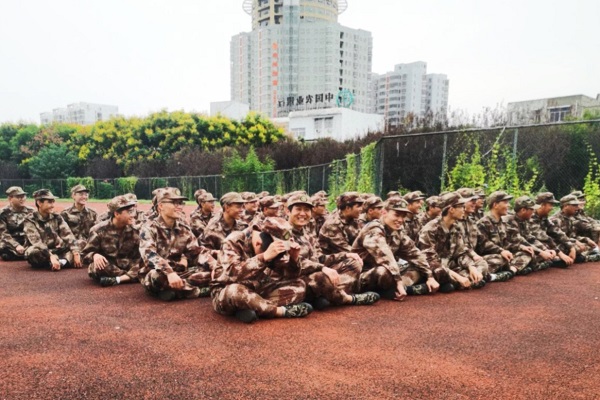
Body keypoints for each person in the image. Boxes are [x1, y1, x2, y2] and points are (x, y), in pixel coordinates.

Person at [211, 217, 315, 323]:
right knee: (234, 291)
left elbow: (289, 275)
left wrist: (294, 260)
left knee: (299, 285)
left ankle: (252, 307)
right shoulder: (233, 241)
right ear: (258, 243)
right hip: (227, 290)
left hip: (258, 288)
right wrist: (263, 257)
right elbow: (233, 275)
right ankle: (280, 311)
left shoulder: (275, 243)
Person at [286, 194, 379, 309]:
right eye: (298, 209)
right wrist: (322, 268)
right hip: (294, 279)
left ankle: (326, 294)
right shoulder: (282, 232)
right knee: (321, 277)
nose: (303, 213)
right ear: (288, 211)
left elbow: (319, 257)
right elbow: (291, 262)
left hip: (314, 275)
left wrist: (345, 255)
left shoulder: (307, 233)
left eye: (306, 210)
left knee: (353, 262)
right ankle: (348, 298)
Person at [352, 197, 440, 300]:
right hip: (363, 275)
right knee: (384, 271)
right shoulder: (374, 228)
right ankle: (403, 288)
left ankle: (398, 289)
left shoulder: (397, 231)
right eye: (397, 215)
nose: (400, 220)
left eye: (403, 216)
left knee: (420, 267)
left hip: (389, 273)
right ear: (384, 212)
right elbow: (385, 256)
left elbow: (414, 253)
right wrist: (398, 281)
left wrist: (430, 276)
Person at [139, 188, 210, 301]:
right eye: (174, 203)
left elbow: (196, 251)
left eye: (181, 203)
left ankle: (176, 291)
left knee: (211, 272)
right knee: (157, 277)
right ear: (161, 206)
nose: (179, 207)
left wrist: (213, 264)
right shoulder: (149, 228)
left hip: (180, 271)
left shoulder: (183, 228)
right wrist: (169, 272)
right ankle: (198, 291)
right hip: (159, 272)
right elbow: (150, 255)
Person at [419, 192, 488, 291]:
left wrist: (471, 267)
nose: (464, 209)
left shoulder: (456, 227)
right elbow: (430, 260)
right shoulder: (430, 229)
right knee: (440, 271)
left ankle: (456, 283)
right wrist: (458, 276)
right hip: (433, 266)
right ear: (451, 209)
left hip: (449, 265)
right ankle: (436, 285)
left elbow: (461, 253)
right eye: (461, 207)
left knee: (481, 264)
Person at [83, 195, 141, 287]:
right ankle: (131, 277)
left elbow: (139, 256)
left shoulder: (135, 231)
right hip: (108, 266)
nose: (133, 215)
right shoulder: (98, 230)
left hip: (126, 264)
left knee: (147, 265)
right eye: (129, 212)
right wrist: (94, 255)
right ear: (116, 214)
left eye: (132, 211)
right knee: (99, 266)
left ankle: (118, 279)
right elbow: (85, 254)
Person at [477, 191, 533, 276]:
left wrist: (521, 247)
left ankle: (511, 270)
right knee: (501, 259)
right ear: (495, 205)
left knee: (526, 253)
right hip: (491, 257)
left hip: (503, 255)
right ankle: (495, 275)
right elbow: (483, 244)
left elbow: (506, 243)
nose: (509, 205)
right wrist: (501, 251)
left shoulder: (503, 222)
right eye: (505, 203)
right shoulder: (483, 223)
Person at [23, 189, 81, 270]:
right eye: (49, 202)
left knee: (79, 245)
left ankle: (58, 262)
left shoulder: (57, 217)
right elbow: (37, 242)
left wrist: (76, 252)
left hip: (57, 249)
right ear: (39, 203)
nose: (53, 205)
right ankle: (62, 261)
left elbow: (67, 234)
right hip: (41, 251)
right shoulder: (30, 220)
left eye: (53, 202)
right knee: (33, 252)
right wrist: (50, 256)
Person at [503, 196, 559, 271]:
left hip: (522, 247)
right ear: (523, 210)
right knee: (528, 254)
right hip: (511, 248)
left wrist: (545, 249)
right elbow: (520, 240)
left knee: (542, 250)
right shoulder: (509, 221)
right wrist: (540, 252)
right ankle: (513, 269)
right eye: (531, 209)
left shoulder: (524, 220)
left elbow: (531, 238)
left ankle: (529, 265)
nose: (533, 212)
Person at [530, 192, 578, 267]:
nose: (552, 208)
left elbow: (557, 231)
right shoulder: (530, 217)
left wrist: (571, 247)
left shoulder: (544, 217)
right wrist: (560, 253)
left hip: (544, 245)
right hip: (532, 244)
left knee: (565, 244)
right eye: (550, 205)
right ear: (542, 205)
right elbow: (543, 237)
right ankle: (549, 260)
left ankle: (551, 259)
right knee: (543, 247)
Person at [550, 195, 600, 261]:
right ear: (565, 206)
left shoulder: (569, 218)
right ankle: (583, 257)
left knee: (586, 245)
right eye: (574, 205)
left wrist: (586, 240)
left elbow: (572, 236)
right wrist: (574, 243)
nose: (577, 208)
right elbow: (559, 238)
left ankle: (582, 256)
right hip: (557, 245)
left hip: (568, 243)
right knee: (577, 248)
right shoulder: (555, 220)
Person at [201, 192, 248, 258]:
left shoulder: (243, 226)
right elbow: (205, 254)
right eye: (238, 207)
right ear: (227, 207)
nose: (242, 210)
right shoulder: (212, 230)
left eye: (242, 207)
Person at [0, 186, 35, 261]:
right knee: (3, 248)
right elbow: (3, 233)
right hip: (11, 241)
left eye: (23, 196)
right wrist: (16, 245)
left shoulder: (31, 211)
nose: (22, 199)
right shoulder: (3, 213)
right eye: (18, 197)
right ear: (10, 198)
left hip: (27, 240)